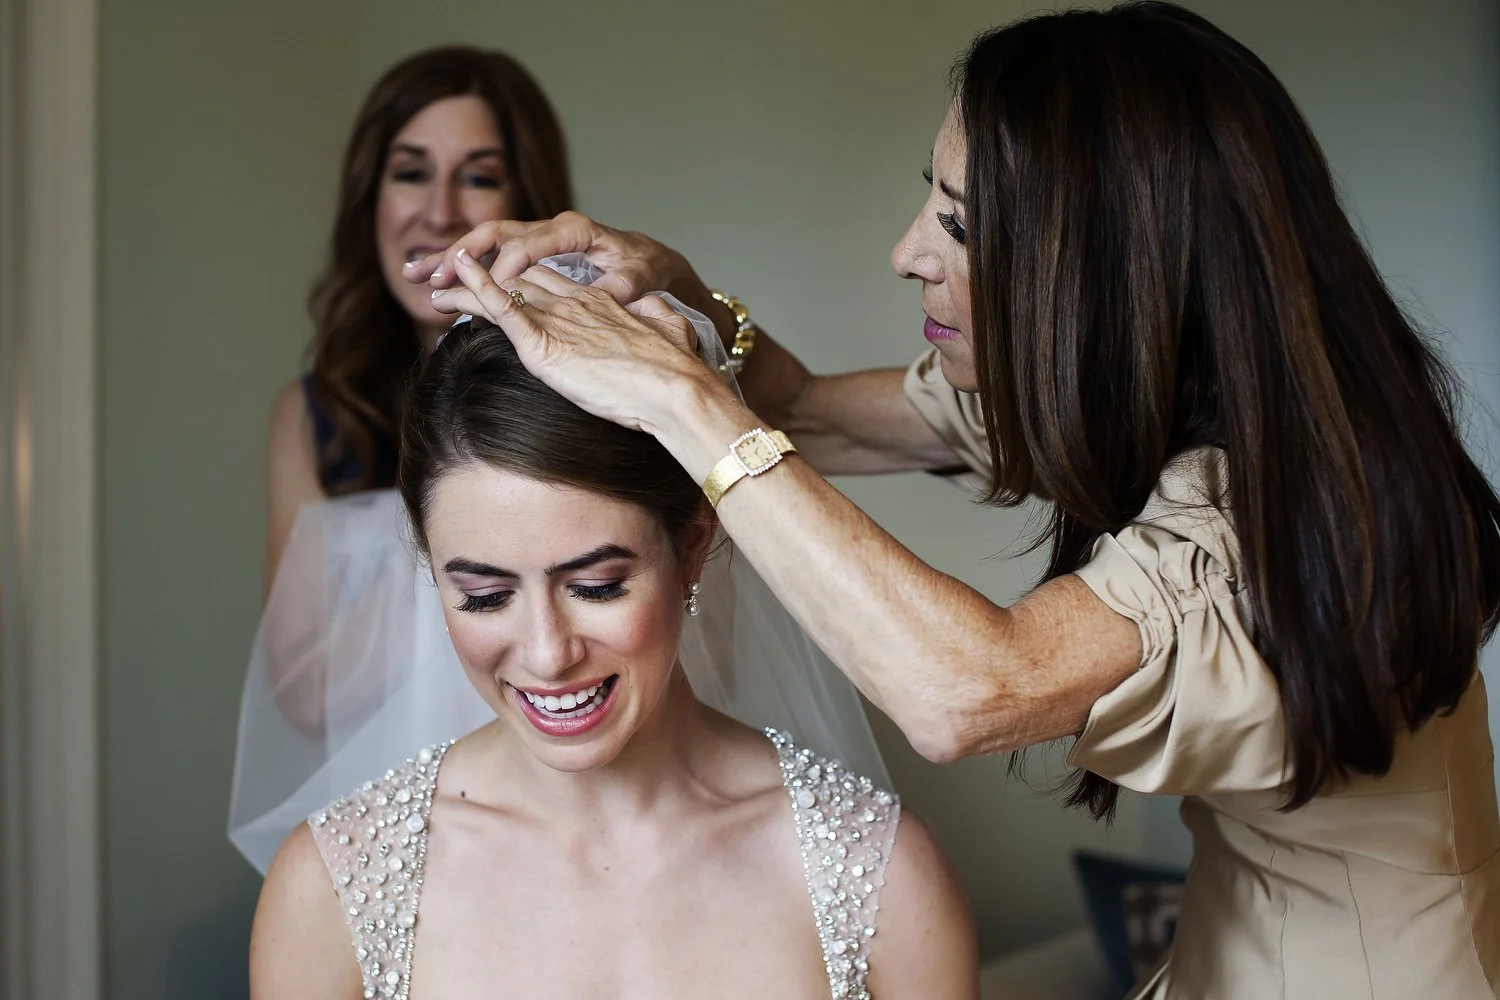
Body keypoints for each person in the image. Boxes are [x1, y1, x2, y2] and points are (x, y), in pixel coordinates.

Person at [410, 3, 1500, 996]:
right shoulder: (1160, 403)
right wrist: (682, 296)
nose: (907, 253)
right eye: (927, 199)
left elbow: (970, 692)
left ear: (1108, 268)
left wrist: (678, 400)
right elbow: (811, 417)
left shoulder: (1266, 522)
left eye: (963, 224)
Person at [247, 317, 978, 1000]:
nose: (546, 652)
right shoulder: (335, 884)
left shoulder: (879, 874)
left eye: (596, 586)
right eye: (484, 595)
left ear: (691, 546)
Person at [228, 45, 575, 870]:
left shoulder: (584, 386)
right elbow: (308, 698)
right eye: (411, 173)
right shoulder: (315, 418)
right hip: (395, 826)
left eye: (479, 177)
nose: (440, 211)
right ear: (370, 199)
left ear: (526, 202)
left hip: (567, 800)